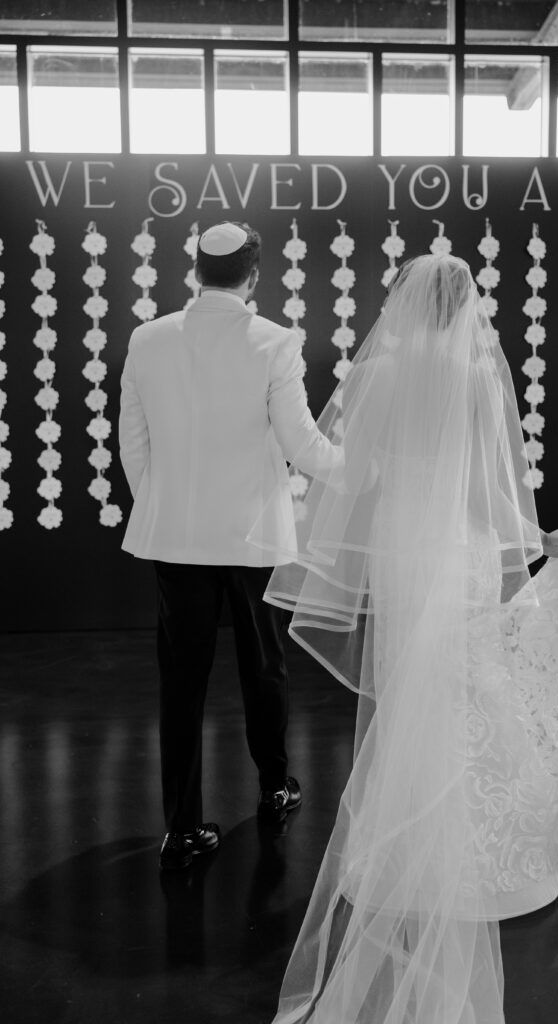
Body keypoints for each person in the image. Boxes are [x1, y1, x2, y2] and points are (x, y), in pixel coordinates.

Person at [249, 254, 558, 1023]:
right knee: (471, 688)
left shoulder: (377, 375)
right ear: (463, 308)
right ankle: (475, 851)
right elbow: (486, 490)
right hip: (458, 551)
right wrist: (538, 539)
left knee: (413, 689)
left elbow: (355, 474)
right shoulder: (474, 376)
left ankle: (406, 846)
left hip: (402, 550)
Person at [118, 221, 341, 871]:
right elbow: (302, 446)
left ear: (196, 271)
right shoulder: (276, 341)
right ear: (254, 275)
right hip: (253, 537)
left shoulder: (147, 338)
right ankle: (273, 787)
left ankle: (182, 828)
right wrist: (365, 471)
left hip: (176, 538)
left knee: (180, 680)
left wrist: (162, 505)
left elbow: (133, 441)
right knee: (263, 667)